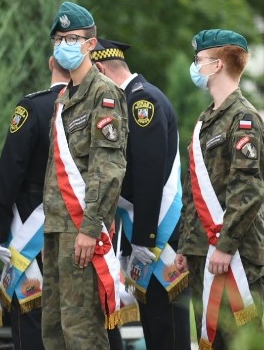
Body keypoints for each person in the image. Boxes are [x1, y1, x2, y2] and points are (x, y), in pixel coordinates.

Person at [90, 39, 191, 350]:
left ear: (100, 70)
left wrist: (144, 238)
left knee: (167, 332)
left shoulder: (140, 101)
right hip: (147, 231)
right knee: (156, 328)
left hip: (159, 235)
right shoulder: (131, 99)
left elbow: (148, 174)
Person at [41, 1, 128, 350]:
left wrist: (91, 228)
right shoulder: (64, 98)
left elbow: (107, 169)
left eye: (72, 38)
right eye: (58, 39)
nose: (64, 44)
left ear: (91, 44)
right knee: (55, 331)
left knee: (83, 333)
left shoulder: (104, 94)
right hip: (57, 228)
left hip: (82, 230)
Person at [174, 29, 264, 350]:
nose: (194, 66)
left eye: (198, 60)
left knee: (238, 341)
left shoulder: (243, 119)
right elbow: (193, 191)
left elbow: (248, 189)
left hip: (235, 254)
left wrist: (225, 245)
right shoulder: (207, 119)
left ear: (216, 65)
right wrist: (187, 245)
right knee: (210, 341)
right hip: (203, 253)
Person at [0, 56, 70, 350]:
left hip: (33, 221)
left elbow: (11, 169)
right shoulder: (95, 108)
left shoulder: (34, 106)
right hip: (77, 225)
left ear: (50, 63)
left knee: (31, 314)